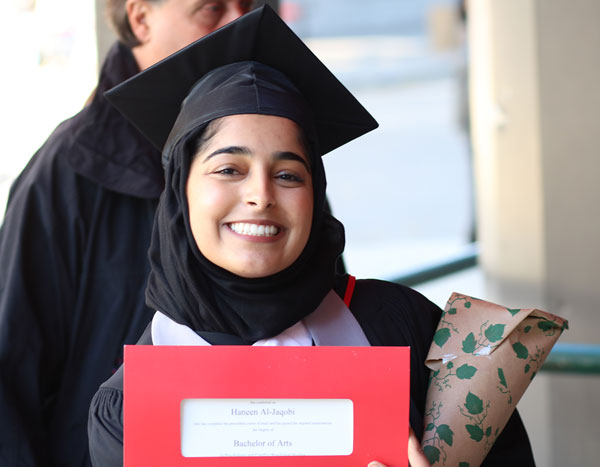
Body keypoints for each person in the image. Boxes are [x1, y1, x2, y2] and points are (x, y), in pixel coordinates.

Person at [87, 6, 535, 466]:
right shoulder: (129, 409)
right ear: (180, 193)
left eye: (288, 175)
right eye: (228, 169)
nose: (260, 195)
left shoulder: (410, 331)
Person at [0, 1, 254, 465]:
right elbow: (10, 373)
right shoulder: (64, 174)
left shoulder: (273, 158)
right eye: (211, 9)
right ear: (140, 18)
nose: (240, 23)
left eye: (251, 5)